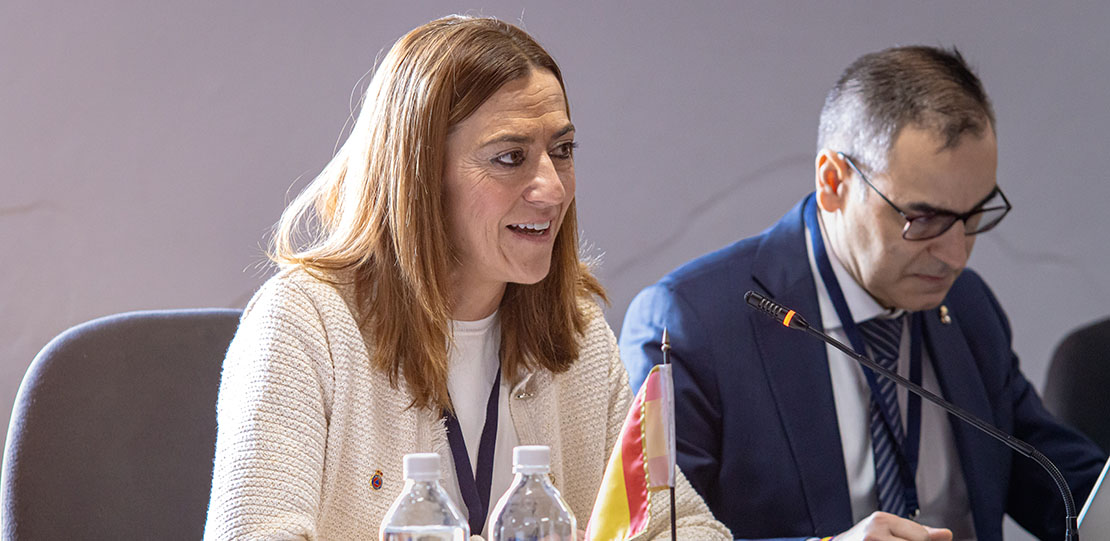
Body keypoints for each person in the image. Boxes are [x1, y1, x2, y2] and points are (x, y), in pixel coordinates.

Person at [202, 15, 729, 541]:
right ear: (420, 176)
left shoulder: (578, 332)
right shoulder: (301, 325)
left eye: (562, 151)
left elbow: (682, 529)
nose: (552, 188)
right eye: (509, 158)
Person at [619, 46, 1106, 541]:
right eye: (924, 219)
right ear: (834, 182)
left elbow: (1063, 485)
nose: (956, 256)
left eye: (975, 217)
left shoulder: (965, 306)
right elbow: (656, 536)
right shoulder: (690, 323)